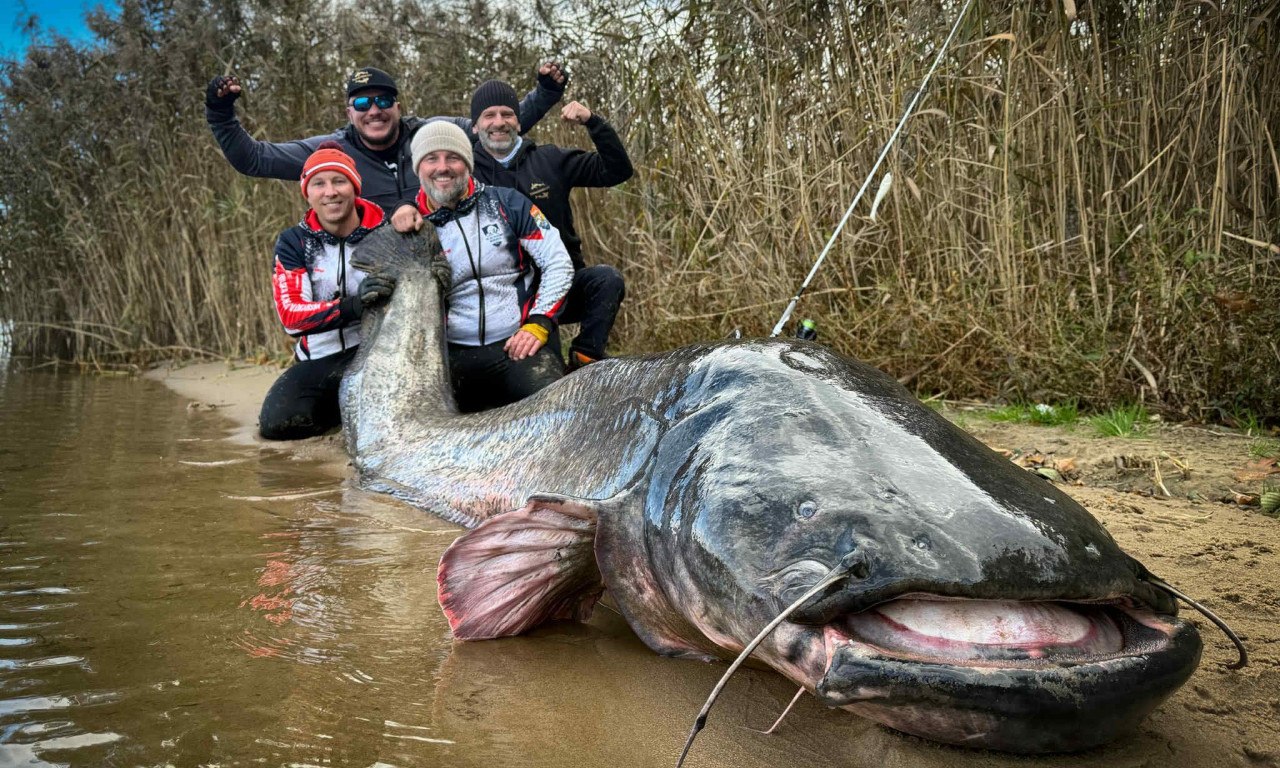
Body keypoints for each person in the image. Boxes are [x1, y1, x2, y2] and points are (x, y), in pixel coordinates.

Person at [402, 79, 632, 370]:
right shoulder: (461, 171)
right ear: (474, 126)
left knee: (606, 280)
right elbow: (424, 193)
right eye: (489, 115)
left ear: (519, 122)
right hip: (506, 296)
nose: (499, 122)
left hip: (557, 280)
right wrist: (405, 206)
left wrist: (592, 121)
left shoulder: (550, 159)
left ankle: (586, 359)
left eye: (507, 114)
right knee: (545, 372)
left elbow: (617, 171)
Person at [205, 63, 567, 225]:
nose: (373, 110)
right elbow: (253, 159)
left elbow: (495, 130)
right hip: (376, 274)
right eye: (362, 103)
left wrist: (547, 92)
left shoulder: (432, 134)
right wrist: (221, 113)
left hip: (445, 262)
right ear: (349, 112)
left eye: (382, 101)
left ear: (398, 106)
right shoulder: (332, 152)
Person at [400, 121, 575, 412]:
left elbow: (557, 262)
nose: (442, 167)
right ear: (418, 168)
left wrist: (540, 322)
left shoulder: (507, 203)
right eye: (431, 158)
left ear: (467, 163)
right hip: (449, 356)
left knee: (554, 412)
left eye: (453, 157)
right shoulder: (409, 227)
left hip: (517, 345)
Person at [258, 142, 396, 440]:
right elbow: (290, 317)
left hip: (379, 356)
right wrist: (354, 306)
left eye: (339, 181)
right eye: (318, 184)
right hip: (320, 359)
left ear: (354, 187)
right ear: (307, 193)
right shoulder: (293, 242)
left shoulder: (387, 232)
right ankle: (340, 415)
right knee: (278, 424)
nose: (330, 192)